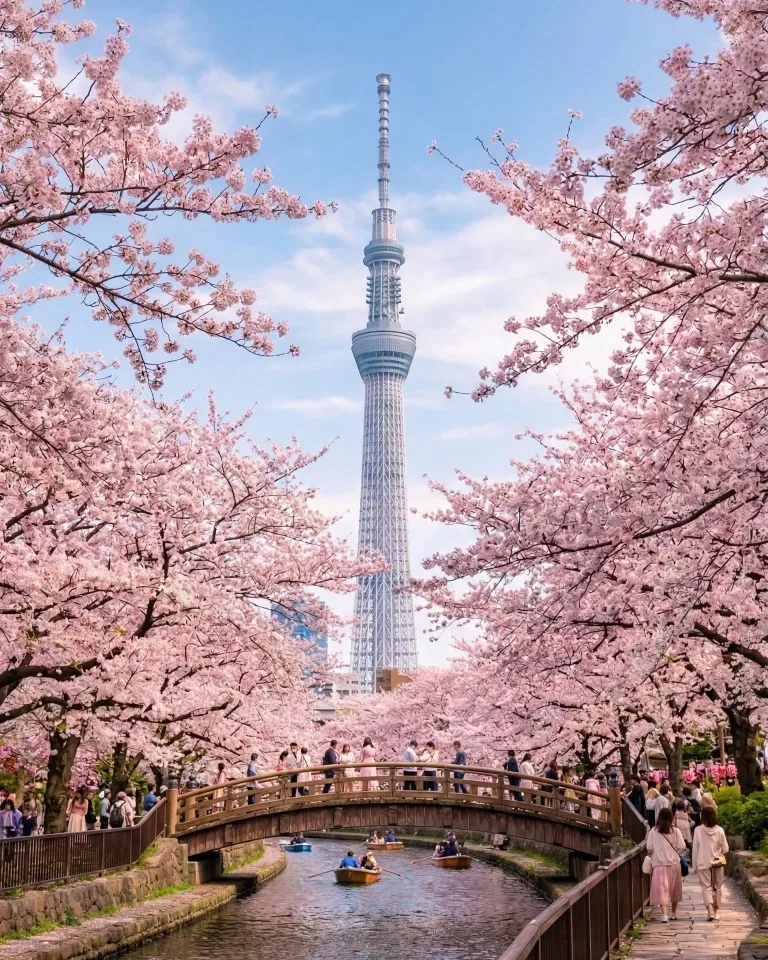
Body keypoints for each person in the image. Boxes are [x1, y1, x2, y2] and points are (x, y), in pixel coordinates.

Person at [647, 806, 686, 923]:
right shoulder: (675, 831)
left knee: (662, 889)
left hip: (659, 864)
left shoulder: (654, 831)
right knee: (674, 888)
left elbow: (649, 847)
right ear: (671, 817)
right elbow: (682, 846)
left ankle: (664, 915)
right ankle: (674, 913)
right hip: (674, 864)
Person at [692, 807, 729, 921]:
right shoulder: (720, 830)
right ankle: (716, 910)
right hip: (717, 863)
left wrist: (695, 866)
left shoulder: (698, 830)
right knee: (717, 887)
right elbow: (726, 848)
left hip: (703, 863)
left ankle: (710, 911)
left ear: (702, 817)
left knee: (706, 888)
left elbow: (695, 849)